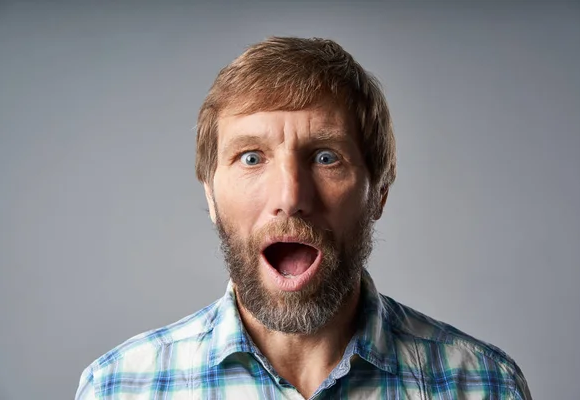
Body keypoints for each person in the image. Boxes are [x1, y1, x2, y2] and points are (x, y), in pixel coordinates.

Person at [75, 36, 531, 399]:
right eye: (251, 158)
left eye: (326, 157)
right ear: (210, 196)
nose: (290, 197)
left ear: (379, 193)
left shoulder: (482, 385)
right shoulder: (118, 387)